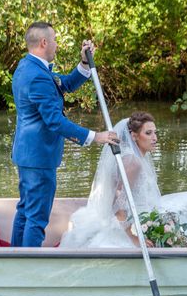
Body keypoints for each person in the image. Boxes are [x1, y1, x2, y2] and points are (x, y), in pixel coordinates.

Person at [59, 111, 187, 248]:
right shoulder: (132, 163)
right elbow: (118, 201)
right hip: (132, 219)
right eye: (148, 133)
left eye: (155, 132)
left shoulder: (139, 156)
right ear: (134, 135)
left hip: (145, 208)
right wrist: (133, 236)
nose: (155, 137)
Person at [11, 21, 119, 247]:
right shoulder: (37, 75)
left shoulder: (28, 67)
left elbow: (65, 84)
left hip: (28, 155)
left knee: (25, 211)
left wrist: (83, 63)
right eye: (55, 40)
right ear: (44, 42)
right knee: (36, 217)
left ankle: (16, 257)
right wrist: (95, 136)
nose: (57, 45)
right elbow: (54, 121)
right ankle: (29, 265)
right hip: (39, 157)